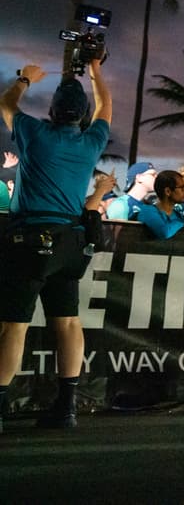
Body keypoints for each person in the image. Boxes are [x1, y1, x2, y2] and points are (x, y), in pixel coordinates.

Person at [0, 59, 111, 430]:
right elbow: (106, 107)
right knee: (68, 322)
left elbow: (5, 103)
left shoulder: (34, 132)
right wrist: (95, 69)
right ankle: (66, 408)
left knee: (13, 326)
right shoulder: (91, 141)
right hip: (69, 242)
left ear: (51, 111)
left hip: (30, 238)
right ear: (83, 115)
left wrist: (24, 79)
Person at [134, 170, 184, 240]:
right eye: (182, 187)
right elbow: (164, 233)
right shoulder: (147, 211)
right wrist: (181, 222)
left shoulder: (177, 215)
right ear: (168, 191)